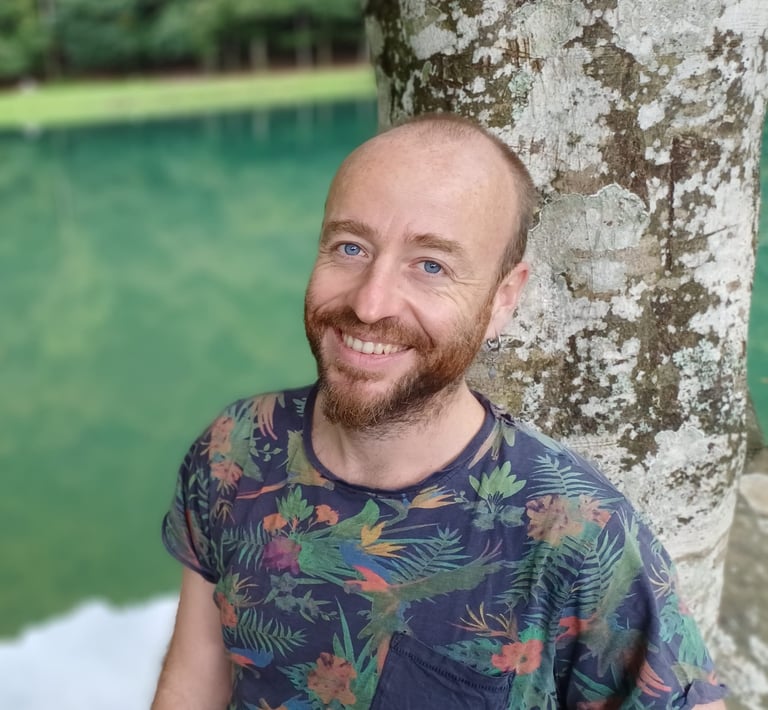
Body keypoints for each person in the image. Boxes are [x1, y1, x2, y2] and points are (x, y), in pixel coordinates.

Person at [152, 113, 728, 710]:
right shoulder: (238, 446)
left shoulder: (580, 536)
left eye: (431, 265)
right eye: (350, 247)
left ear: (502, 298)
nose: (371, 304)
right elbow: (193, 683)